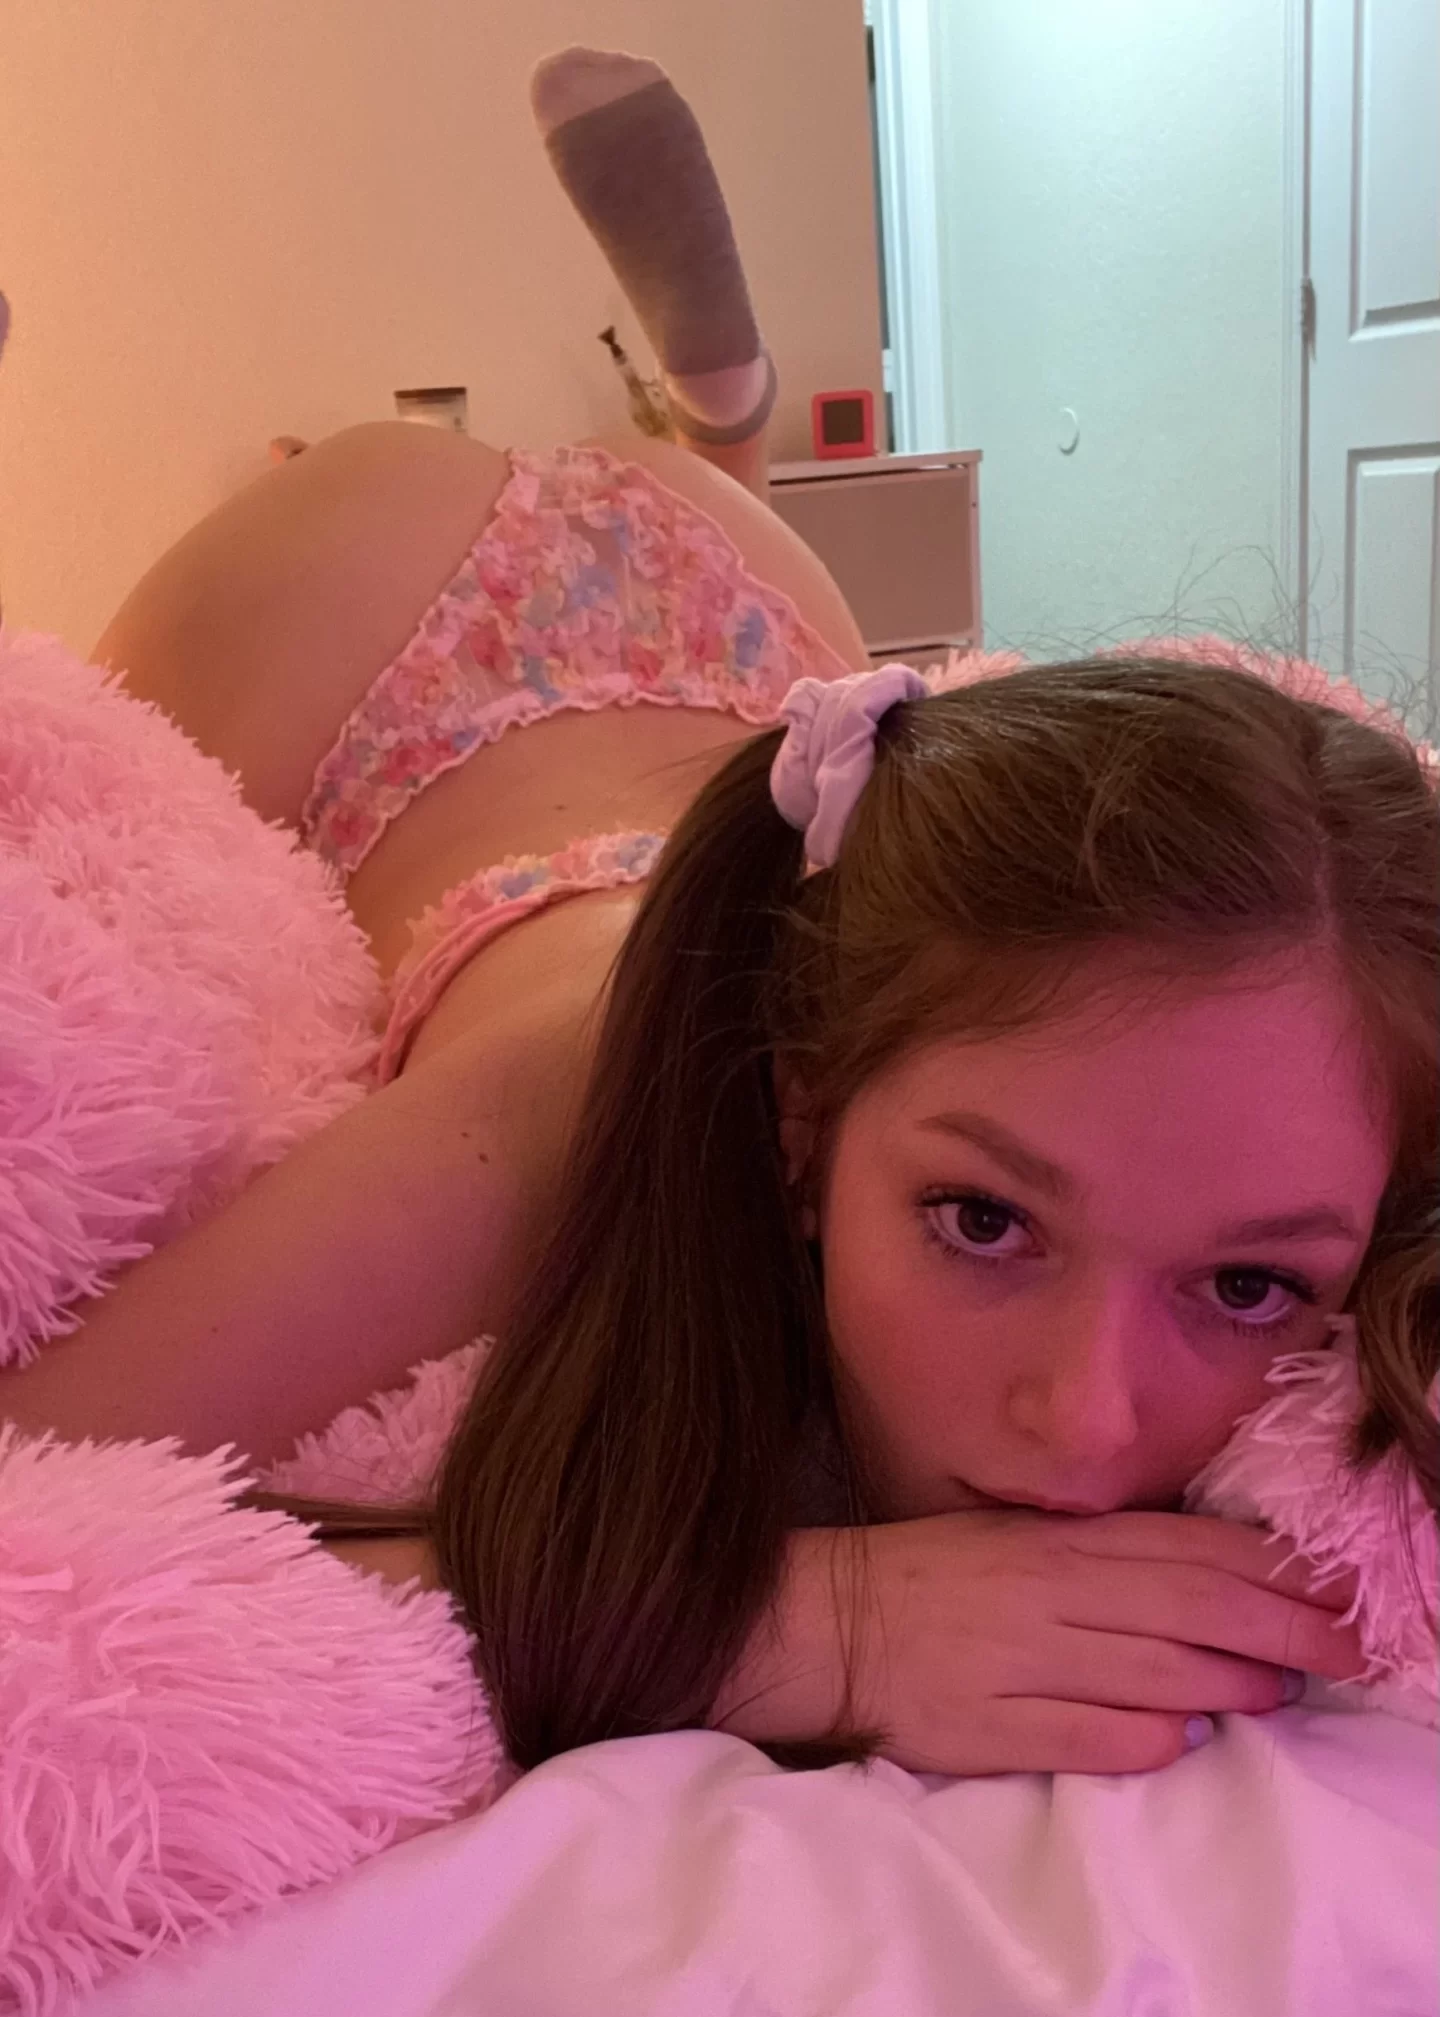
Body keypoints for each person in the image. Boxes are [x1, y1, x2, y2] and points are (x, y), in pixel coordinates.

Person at [0, 52, 1432, 1780]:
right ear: (799, 1121)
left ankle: (714, 417)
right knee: (89, 741)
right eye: (983, 1221)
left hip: (745, 613)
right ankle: (704, 424)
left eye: (1253, 1285)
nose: (1084, 1421)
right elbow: (37, 1479)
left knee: (729, 548)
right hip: (369, 625)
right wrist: (807, 1621)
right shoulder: (558, 1105)